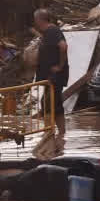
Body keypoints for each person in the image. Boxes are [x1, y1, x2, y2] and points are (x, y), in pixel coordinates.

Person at [35, 8, 69, 137]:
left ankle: (49, 133)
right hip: (51, 77)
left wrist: (60, 66)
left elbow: (63, 46)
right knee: (54, 104)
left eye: (35, 20)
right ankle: (60, 134)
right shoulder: (48, 32)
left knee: (49, 104)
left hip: (55, 77)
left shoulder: (52, 31)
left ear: (39, 20)